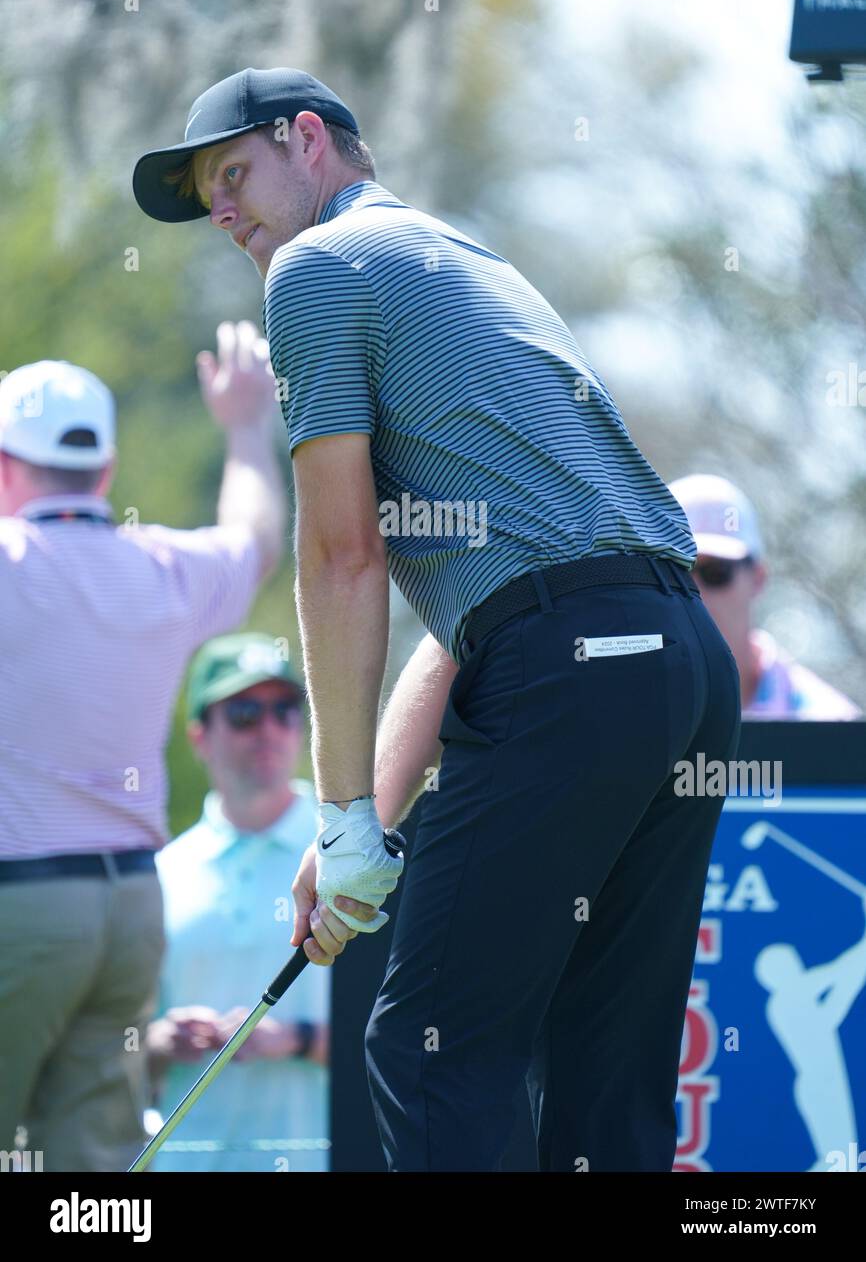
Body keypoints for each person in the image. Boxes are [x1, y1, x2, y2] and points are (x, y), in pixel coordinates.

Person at [133, 66, 741, 1172]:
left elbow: (339, 554)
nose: (222, 213)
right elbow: (475, 622)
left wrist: (340, 809)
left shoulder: (314, 266)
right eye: (207, 197)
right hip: (674, 665)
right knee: (607, 1076)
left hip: (571, 660)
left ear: (307, 138)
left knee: (431, 1055)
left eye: (232, 174)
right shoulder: (458, 255)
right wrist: (353, 818)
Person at [0, 328, 286, 1172]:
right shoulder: (161, 567)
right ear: (108, 471)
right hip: (129, 906)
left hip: (22, 903)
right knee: (88, 1168)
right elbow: (257, 533)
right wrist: (243, 426)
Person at [146, 632, 330, 1173]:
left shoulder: (348, 859)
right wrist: (159, 1041)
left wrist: (295, 1040)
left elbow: (408, 1036)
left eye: (284, 709)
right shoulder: (162, 873)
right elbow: (107, 1047)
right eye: (245, 712)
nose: (269, 729)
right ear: (200, 736)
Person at [668, 474, 861, 720]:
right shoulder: (616, 719)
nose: (693, 593)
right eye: (673, 574)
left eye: (715, 572)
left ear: (757, 578)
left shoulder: (832, 727)